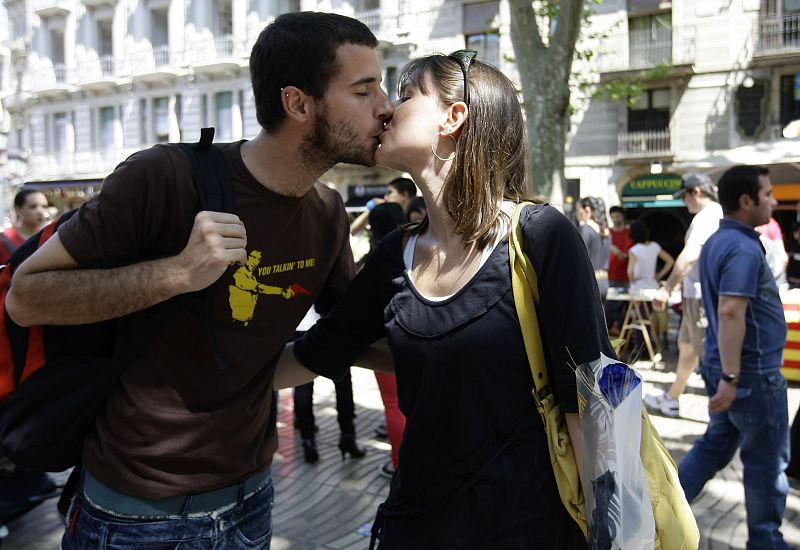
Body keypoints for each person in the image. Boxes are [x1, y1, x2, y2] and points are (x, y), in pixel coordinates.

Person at [5, 12, 393, 548]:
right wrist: (178, 272)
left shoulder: (325, 212)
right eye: (364, 90)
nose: (386, 106)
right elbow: (26, 297)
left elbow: (352, 336)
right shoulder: (164, 178)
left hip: (251, 502)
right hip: (134, 515)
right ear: (299, 103)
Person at [276, 50, 613, 548]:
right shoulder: (395, 254)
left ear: (454, 118)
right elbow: (320, 351)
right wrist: (197, 376)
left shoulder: (541, 237)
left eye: (406, 93)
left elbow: (587, 403)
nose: (386, 107)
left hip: (526, 527)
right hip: (417, 522)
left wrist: (606, 532)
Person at [678, 165, 789, 549]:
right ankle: (766, 541)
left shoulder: (719, 241)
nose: (773, 200)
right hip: (750, 373)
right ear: (746, 201)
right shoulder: (740, 246)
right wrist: (731, 376)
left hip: (734, 369)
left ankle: (663, 511)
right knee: (765, 462)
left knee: (715, 445)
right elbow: (729, 312)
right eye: (768, 193)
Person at [645, 172, 722, 417]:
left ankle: (721, 416)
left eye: (685, 196)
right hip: (695, 295)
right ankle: (672, 397)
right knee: (686, 346)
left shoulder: (706, 217)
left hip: (700, 297)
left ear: (696, 191)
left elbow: (690, 256)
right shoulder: (711, 215)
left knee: (708, 357)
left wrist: (667, 288)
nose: (684, 202)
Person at [292, 307, 365, 464]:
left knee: (302, 385)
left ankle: (308, 441)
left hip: (301, 323)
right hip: (331, 323)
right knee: (343, 382)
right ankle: (348, 436)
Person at [627, 220, 674, 350]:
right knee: (649, 318)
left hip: (638, 288)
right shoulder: (655, 246)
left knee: (639, 319)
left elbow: (630, 271)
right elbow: (670, 261)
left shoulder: (634, 250)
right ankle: (652, 345)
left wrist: (632, 280)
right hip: (653, 286)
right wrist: (658, 276)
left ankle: (642, 348)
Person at [350, 177, 417, 236]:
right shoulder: (385, 213)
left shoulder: (418, 214)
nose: (385, 197)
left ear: (404, 194)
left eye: (390, 192)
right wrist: (373, 209)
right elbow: (352, 231)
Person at [0, 189, 49, 265]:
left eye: (44, 206)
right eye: (33, 207)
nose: (40, 211)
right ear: (18, 209)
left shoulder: (51, 237)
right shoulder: (4, 240)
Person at [576, 196, 610, 298]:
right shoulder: (605, 231)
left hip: (590, 283)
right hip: (604, 281)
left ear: (587, 209)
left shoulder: (586, 229)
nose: (577, 214)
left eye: (578, 210)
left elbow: (581, 260)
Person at [606, 205, 631, 335]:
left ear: (623, 216)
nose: (616, 219)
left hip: (626, 277)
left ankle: (623, 337)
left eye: (618, 216)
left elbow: (625, 256)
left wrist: (613, 248)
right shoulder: (607, 233)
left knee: (624, 309)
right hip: (609, 276)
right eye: (613, 216)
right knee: (608, 308)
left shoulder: (629, 233)